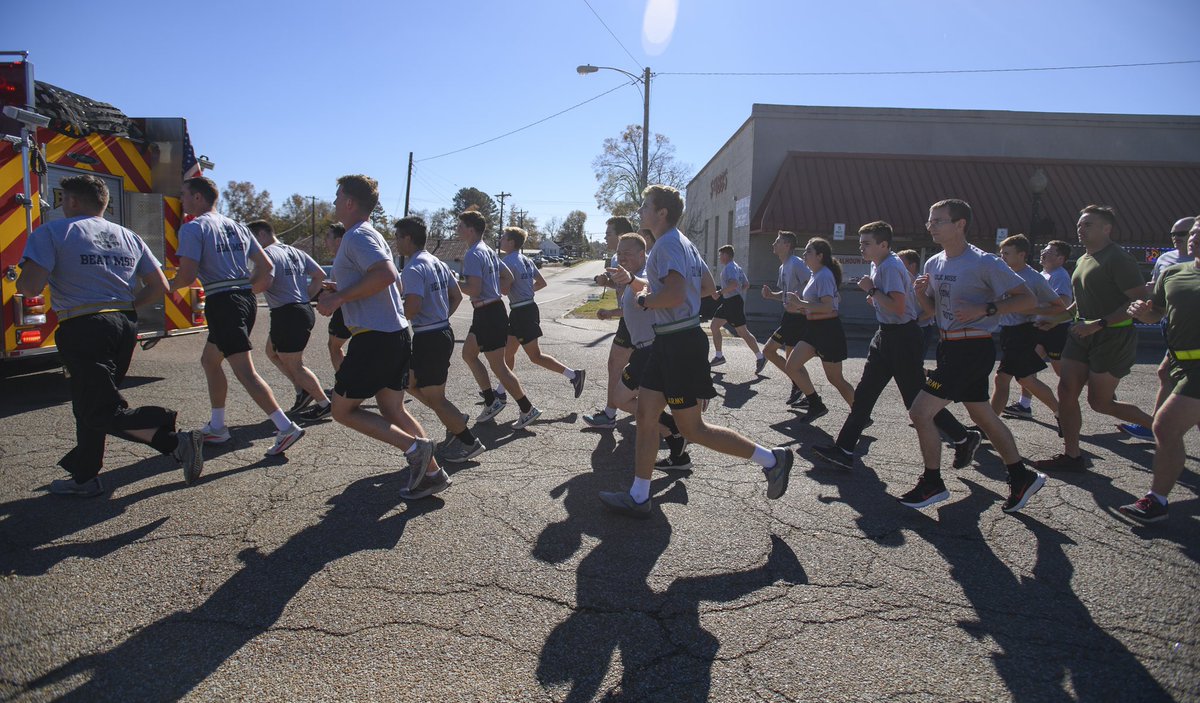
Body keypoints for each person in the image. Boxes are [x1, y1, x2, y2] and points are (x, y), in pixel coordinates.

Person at [598, 185, 793, 517]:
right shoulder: (684, 244)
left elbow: (672, 294)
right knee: (646, 415)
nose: (642, 211)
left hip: (679, 343)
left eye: (646, 206)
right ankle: (639, 495)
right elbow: (706, 287)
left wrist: (647, 300)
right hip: (670, 341)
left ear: (662, 213)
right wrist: (637, 281)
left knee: (693, 429)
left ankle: (773, 459)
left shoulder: (665, 246)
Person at [17, 174, 203, 496]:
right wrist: (130, 304)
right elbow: (159, 286)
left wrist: (25, 281)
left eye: (63, 200)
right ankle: (85, 477)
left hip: (83, 325)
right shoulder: (128, 236)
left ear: (71, 201)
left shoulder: (52, 232)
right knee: (90, 402)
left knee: (99, 408)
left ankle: (175, 441)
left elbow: (30, 286)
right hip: (124, 325)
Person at [902, 198, 1046, 514]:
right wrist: (919, 295)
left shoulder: (985, 262)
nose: (930, 226)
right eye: (930, 220)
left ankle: (933, 482)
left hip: (973, 347)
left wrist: (987, 308)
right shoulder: (933, 263)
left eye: (938, 220)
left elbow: (1028, 299)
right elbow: (936, 315)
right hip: (948, 345)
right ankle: (1022, 475)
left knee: (920, 412)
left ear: (960, 224)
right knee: (983, 416)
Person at [315, 175, 447, 500]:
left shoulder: (356, 235)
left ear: (349, 202)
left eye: (336, 197)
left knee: (342, 410)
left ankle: (413, 449)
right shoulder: (370, 235)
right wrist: (344, 288)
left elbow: (387, 276)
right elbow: (393, 282)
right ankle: (433, 472)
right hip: (394, 335)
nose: (333, 203)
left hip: (375, 339)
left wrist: (338, 298)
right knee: (392, 409)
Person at [811, 221, 980, 471]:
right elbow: (896, 298)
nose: (862, 247)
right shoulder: (879, 263)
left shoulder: (889, 265)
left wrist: (871, 290)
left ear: (884, 244)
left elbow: (899, 306)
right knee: (866, 393)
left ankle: (963, 437)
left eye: (867, 243)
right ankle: (844, 448)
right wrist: (876, 297)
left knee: (914, 398)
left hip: (902, 337)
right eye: (861, 243)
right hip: (887, 335)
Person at [169, 176, 305, 456]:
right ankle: (217, 426)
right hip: (241, 299)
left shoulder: (193, 228)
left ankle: (285, 426)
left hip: (223, 301)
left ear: (198, 197)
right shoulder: (238, 227)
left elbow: (187, 275)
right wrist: (246, 290)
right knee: (210, 360)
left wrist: (161, 286)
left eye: (184, 194)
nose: (181, 200)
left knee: (244, 370)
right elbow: (266, 265)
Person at [1033, 205, 1154, 472]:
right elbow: (1080, 301)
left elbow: (1138, 300)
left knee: (1100, 403)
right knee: (1066, 391)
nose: (1080, 229)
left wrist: (1099, 324)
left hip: (1112, 336)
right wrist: (1058, 318)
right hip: (1080, 334)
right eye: (1079, 224)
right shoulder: (1084, 259)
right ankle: (1072, 455)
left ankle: (1160, 428)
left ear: (1106, 228)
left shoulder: (1119, 258)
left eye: (1087, 224)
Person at [1120, 218, 1200, 523]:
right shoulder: (1173, 272)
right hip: (1179, 361)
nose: (1193, 238)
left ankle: (1157, 500)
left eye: (1198, 234)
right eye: (1192, 233)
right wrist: (1143, 313)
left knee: (1164, 427)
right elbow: (1157, 314)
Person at [393, 216, 484, 464]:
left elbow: (412, 306)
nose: (396, 242)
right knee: (410, 383)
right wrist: (441, 317)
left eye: (398, 237)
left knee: (436, 398)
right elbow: (456, 296)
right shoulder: (437, 263)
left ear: (408, 238)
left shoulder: (412, 268)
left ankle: (469, 442)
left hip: (430, 337)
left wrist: (393, 317)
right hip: (439, 332)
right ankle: (455, 418)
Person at [1115, 217, 1197, 440]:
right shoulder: (1167, 260)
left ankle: (1155, 426)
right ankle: (1156, 427)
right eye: (1174, 234)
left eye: (1184, 233)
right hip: (1172, 327)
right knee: (1166, 375)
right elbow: (1157, 305)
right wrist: (1143, 309)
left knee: (1171, 383)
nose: (1179, 238)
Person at [458, 211, 540, 428]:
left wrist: (451, 282)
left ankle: (527, 408)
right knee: (468, 354)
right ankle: (491, 400)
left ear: (471, 229)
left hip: (489, 312)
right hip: (487, 311)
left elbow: (473, 288)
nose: (457, 229)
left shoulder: (473, 254)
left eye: (460, 226)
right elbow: (508, 277)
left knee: (499, 367)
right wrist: (497, 290)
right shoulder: (487, 251)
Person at [247, 220, 331, 423]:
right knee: (272, 352)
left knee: (294, 364)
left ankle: (324, 404)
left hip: (289, 313)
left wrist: (245, 290)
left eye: (251, 240)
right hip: (295, 311)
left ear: (261, 235)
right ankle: (302, 390)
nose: (250, 246)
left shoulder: (267, 254)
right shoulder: (296, 252)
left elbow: (264, 282)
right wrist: (306, 297)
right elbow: (320, 275)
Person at [499, 226, 586, 397]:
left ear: (511, 242)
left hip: (523, 312)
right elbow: (541, 283)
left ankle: (574, 375)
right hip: (522, 310)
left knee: (535, 356)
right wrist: (526, 291)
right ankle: (500, 392)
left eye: (503, 237)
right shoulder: (526, 260)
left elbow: (503, 289)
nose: (500, 239)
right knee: (508, 354)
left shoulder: (508, 261)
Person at [989, 234, 1068, 421]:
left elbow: (1060, 306)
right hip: (1008, 332)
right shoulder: (1004, 274)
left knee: (1011, 378)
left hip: (1024, 331)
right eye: (1001, 253)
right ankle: (1062, 414)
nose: (1003, 257)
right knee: (1016, 379)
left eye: (1007, 253)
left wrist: (1031, 308)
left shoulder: (1034, 278)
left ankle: (989, 426)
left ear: (1022, 254)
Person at [781, 237, 856, 423]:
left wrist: (801, 303)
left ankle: (860, 413)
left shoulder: (824, 275)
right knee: (791, 365)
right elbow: (816, 304)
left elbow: (828, 306)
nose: (804, 255)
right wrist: (800, 306)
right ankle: (816, 404)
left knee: (835, 379)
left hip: (828, 330)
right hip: (813, 329)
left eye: (808, 252)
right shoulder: (815, 275)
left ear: (820, 256)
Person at [1010, 239, 1075, 419]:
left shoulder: (1060, 275)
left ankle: (1090, 390)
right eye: (1043, 250)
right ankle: (1024, 405)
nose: (1043, 253)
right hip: (1040, 329)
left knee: (1063, 373)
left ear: (1061, 259)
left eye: (1049, 252)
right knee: (1027, 369)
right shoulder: (1043, 274)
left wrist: (1033, 309)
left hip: (1055, 331)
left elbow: (1065, 303)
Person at [584, 216, 637, 429]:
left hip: (632, 321)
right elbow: (624, 289)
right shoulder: (620, 258)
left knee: (615, 364)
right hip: (633, 320)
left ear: (620, 235)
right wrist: (607, 282)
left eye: (608, 233)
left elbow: (633, 294)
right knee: (643, 368)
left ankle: (609, 413)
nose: (605, 237)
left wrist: (612, 312)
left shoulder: (624, 258)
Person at [760, 231, 812, 406]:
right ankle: (803, 391)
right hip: (788, 317)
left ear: (787, 245)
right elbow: (786, 295)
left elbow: (812, 283)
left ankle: (805, 391)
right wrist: (771, 295)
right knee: (792, 361)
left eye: (778, 241)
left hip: (798, 319)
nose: (773, 244)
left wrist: (805, 305)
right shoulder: (783, 267)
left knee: (768, 351)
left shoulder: (797, 263)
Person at [709, 245, 766, 373]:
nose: (719, 258)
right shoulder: (737, 267)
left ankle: (760, 357)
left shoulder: (730, 267)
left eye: (720, 255)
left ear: (725, 255)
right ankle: (719, 356)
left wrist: (720, 292)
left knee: (743, 332)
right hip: (730, 302)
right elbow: (746, 284)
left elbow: (734, 284)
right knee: (714, 326)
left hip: (733, 302)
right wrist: (736, 293)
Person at [321, 223, 352, 375]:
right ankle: (346, 380)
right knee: (334, 346)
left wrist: (333, 289)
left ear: (339, 241)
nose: (325, 241)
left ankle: (346, 382)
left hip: (347, 310)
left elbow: (350, 286)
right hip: (346, 309)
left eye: (328, 236)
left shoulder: (343, 260)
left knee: (334, 347)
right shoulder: (342, 258)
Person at [898, 249, 938, 357]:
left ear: (912, 265)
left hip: (921, 329)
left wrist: (915, 320)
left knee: (915, 363)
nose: (897, 267)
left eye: (901, 263)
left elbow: (932, 310)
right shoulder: (900, 283)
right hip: (902, 328)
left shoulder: (924, 283)